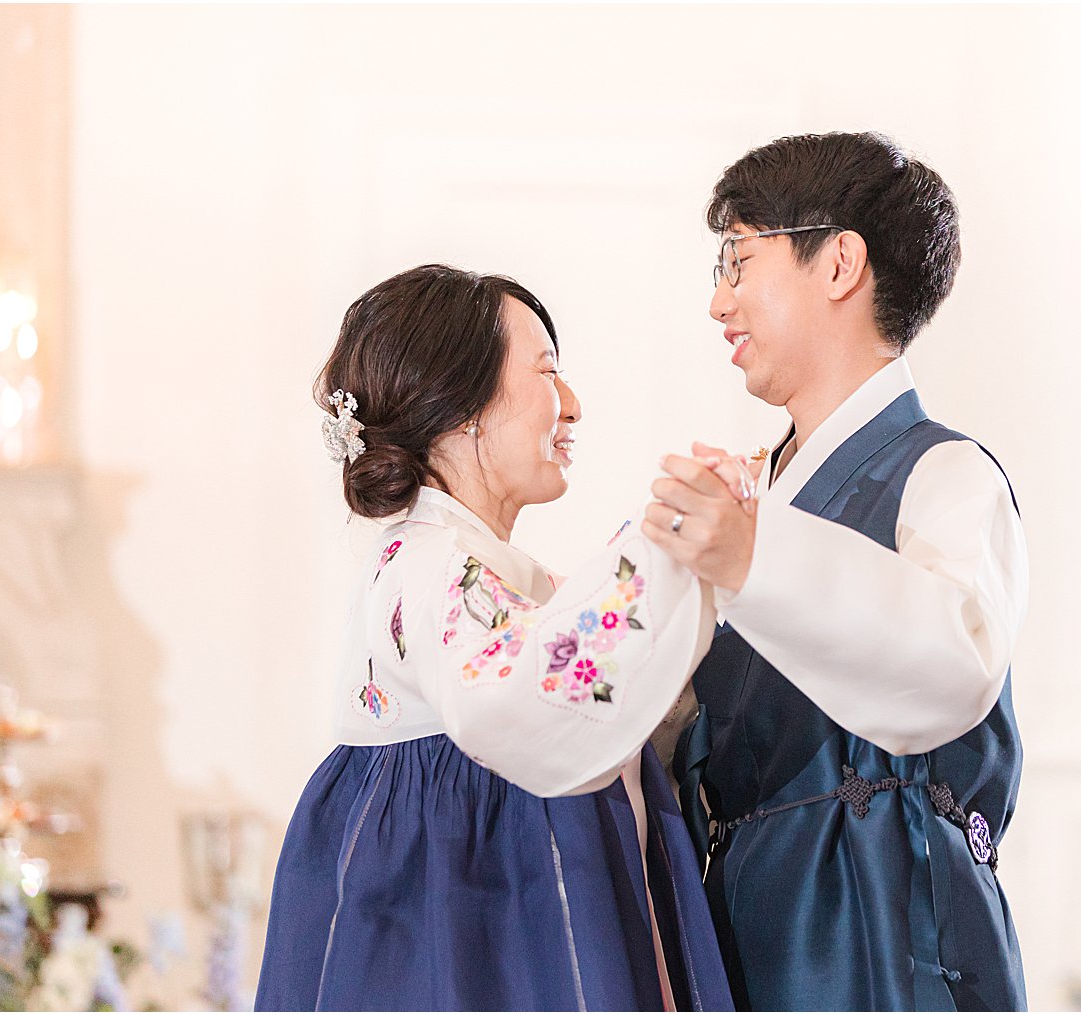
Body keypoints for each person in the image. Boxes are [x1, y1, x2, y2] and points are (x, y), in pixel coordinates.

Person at [255, 264, 735, 1012]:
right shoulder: (435, 568)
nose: (571, 404)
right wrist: (664, 551)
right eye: (547, 371)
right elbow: (522, 704)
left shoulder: (472, 572)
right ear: (463, 408)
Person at [643, 132, 1031, 1011]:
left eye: (738, 260)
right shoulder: (747, 495)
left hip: (885, 935)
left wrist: (750, 554)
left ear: (840, 262)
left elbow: (951, 667)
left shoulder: (945, 472)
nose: (718, 301)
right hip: (743, 928)